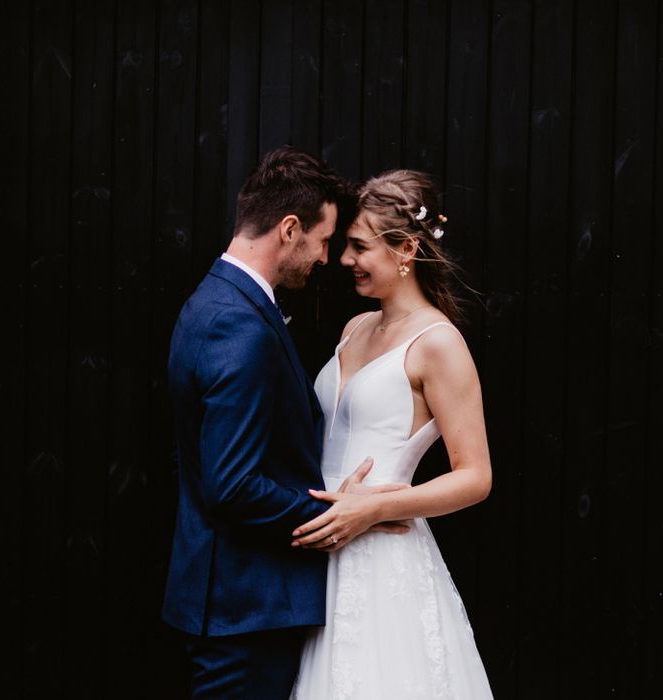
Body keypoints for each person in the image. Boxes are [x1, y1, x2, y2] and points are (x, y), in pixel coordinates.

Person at [162, 147, 407, 699]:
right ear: (290, 229)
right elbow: (233, 484)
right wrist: (342, 514)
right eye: (324, 241)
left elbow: (199, 457)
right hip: (244, 608)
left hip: (224, 596)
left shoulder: (209, 302)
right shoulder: (241, 326)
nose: (326, 259)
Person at [291, 170, 495, 699]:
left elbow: (475, 476)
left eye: (359, 247)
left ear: (405, 249)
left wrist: (376, 508)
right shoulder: (355, 328)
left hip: (380, 555)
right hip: (316, 544)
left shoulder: (438, 343)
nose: (343, 260)